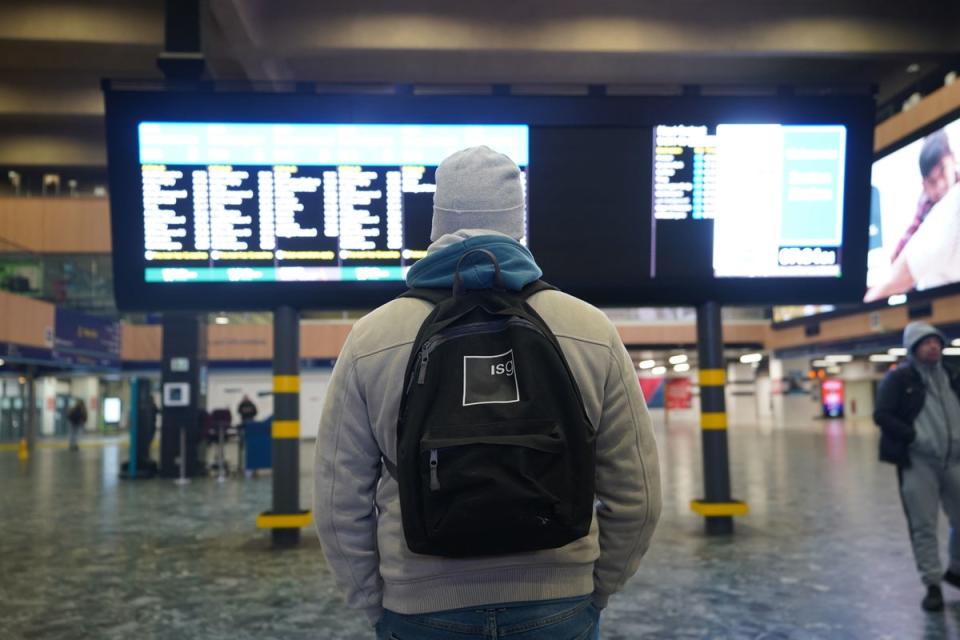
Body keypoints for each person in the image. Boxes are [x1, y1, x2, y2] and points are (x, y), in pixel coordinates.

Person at [314, 146, 662, 639]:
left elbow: (337, 500)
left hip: (420, 608)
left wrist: (377, 603)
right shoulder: (589, 328)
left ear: (436, 224)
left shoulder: (373, 337)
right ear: (517, 222)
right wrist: (594, 589)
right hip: (557, 604)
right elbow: (638, 494)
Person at [874, 321, 960, 611]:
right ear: (913, 348)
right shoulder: (899, 379)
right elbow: (882, 415)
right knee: (923, 524)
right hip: (918, 461)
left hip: (954, 459)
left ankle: (956, 570)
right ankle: (932, 584)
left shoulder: (951, 374)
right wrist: (914, 437)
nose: (933, 347)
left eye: (936, 342)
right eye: (926, 343)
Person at [865, 130, 960, 302]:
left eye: (942, 172)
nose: (939, 185)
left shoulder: (954, 201)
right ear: (924, 185)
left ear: (953, 159)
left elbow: (905, 273)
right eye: (931, 181)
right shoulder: (926, 206)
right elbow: (906, 248)